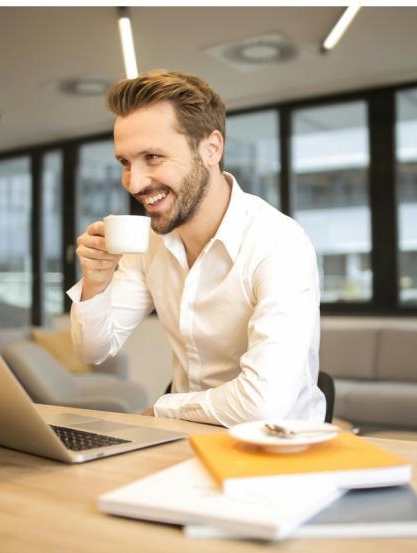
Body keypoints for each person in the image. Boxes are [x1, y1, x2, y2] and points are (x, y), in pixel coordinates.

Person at [67, 69, 324, 427]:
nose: (135, 182)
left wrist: (163, 408)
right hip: (185, 441)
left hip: (275, 448)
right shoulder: (150, 244)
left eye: (153, 157)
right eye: (125, 163)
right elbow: (93, 350)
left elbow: (262, 404)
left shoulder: (280, 243)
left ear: (211, 148)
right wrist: (96, 280)